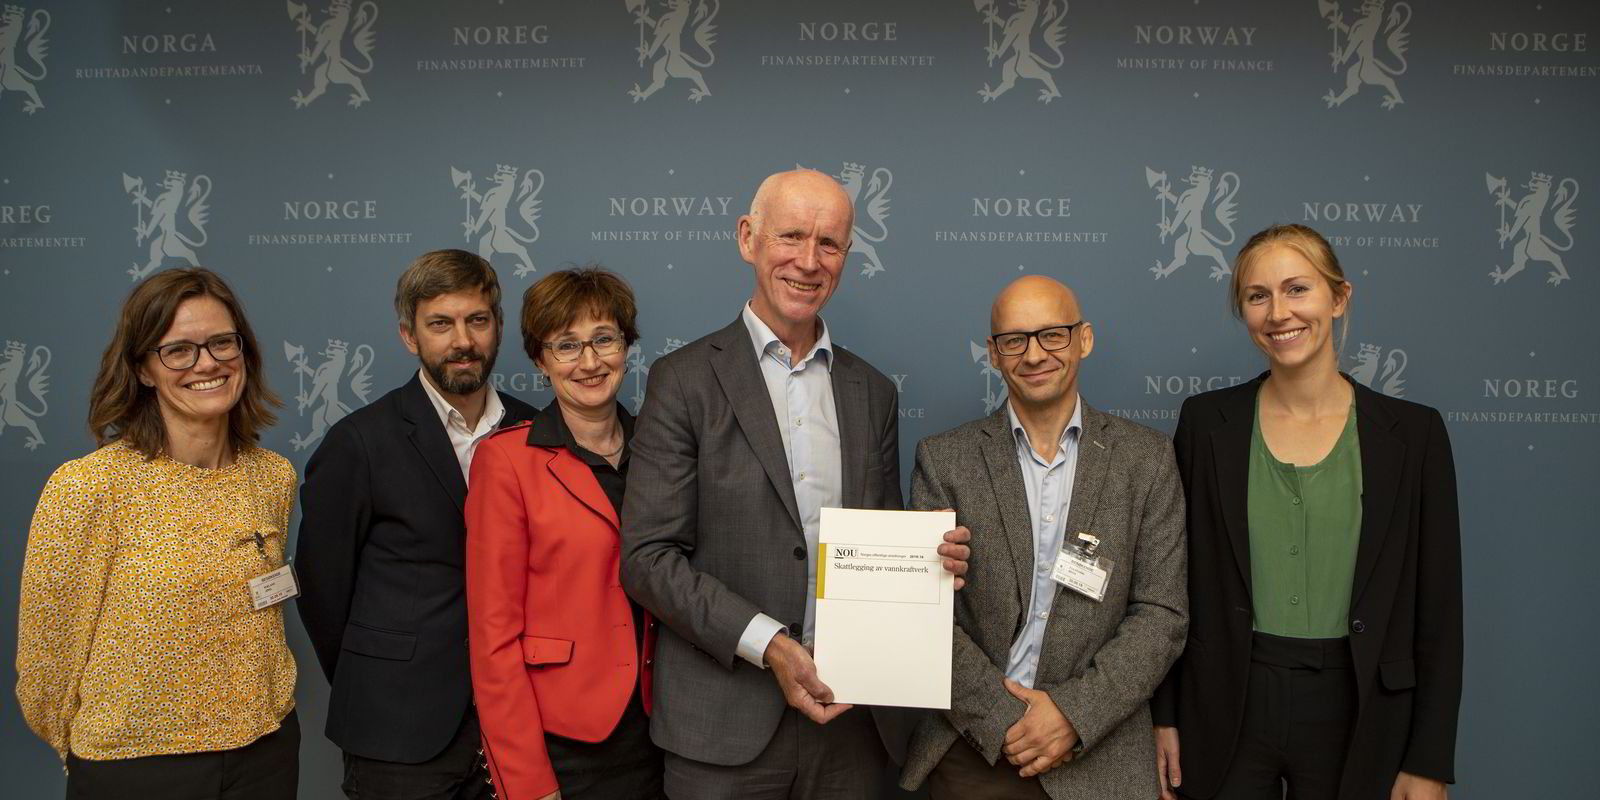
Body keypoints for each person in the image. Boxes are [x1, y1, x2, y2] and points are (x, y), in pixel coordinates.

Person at [620, 168, 971, 800]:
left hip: (851, 725)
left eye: (829, 243)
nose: (809, 262)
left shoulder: (873, 392)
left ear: (847, 256)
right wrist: (772, 646)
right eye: (791, 236)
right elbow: (648, 558)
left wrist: (931, 565)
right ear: (747, 238)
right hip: (722, 729)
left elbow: (877, 545)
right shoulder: (683, 380)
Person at [1152, 224, 1462, 800]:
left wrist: (1429, 759)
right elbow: (1172, 582)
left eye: (1297, 289)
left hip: (1362, 709)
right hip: (1225, 705)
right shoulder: (1206, 423)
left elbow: (1439, 609)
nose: (1278, 313)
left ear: (1339, 298)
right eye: (1257, 296)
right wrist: (1163, 716)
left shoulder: (1414, 434)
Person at [897, 276, 1188, 800]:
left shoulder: (1146, 460)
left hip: (1103, 750)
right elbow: (924, 612)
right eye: (1014, 340)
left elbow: (1161, 613)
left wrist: (1073, 714)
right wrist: (1004, 718)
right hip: (976, 746)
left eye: (1053, 334)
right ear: (993, 353)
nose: (1034, 355)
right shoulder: (945, 461)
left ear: (1084, 339)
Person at [16, 267, 299, 799]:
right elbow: (47, 658)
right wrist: (87, 751)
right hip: (138, 766)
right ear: (143, 369)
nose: (207, 363)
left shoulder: (272, 476)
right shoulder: (90, 487)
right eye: (178, 351)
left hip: (267, 751)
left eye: (222, 343)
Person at [295, 249, 537, 799]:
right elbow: (322, 589)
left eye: (477, 320)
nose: (463, 341)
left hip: (516, 724)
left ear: (499, 326)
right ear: (410, 336)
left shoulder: (537, 430)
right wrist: (378, 676)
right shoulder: (359, 442)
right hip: (395, 725)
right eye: (440, 324)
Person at [465, 267, 664, 799]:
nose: (590, 362)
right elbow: (492, 639)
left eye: (604, 339)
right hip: (565, 742)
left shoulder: (663, 450)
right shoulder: (506, 461)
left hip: (662, 733)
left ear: (627, 346)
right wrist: (527, 784)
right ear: (540, 359)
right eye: (567, 345)